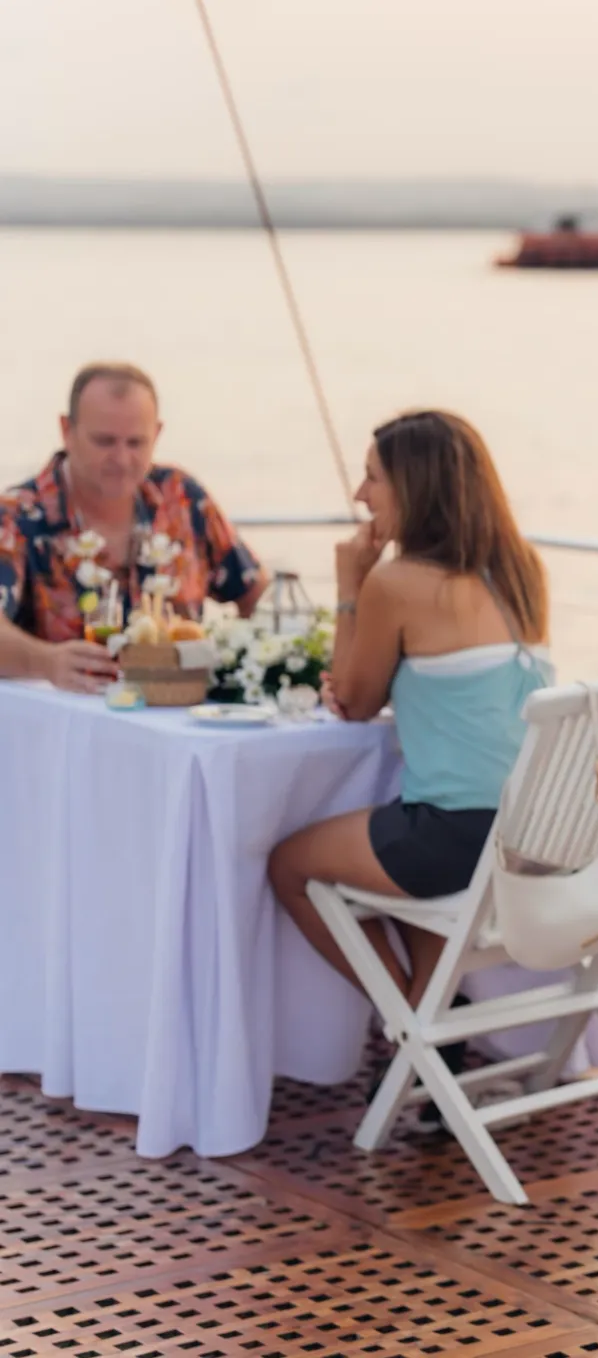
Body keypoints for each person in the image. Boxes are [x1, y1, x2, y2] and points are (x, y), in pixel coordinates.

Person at [268, 409, 554, 1013]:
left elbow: (352, 704)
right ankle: (430, 1028)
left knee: (287, 865)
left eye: (373, 478)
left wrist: (351, 584)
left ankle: (412, 1024)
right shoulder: (523, 570)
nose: (359, 494)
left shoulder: (398, 581)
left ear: (416, 486)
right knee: (401, 827)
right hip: (534, 833)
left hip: (458, 841)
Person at [0, 362, 267, 692]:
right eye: (104, 441)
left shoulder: (182, 496)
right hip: (66, 731)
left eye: (136, 443)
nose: (121, 459)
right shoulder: (16, 515)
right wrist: (46, 662)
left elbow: (255, 592)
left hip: (179, 719)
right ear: (66, 430)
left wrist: (245, 663)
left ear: (157, 434)